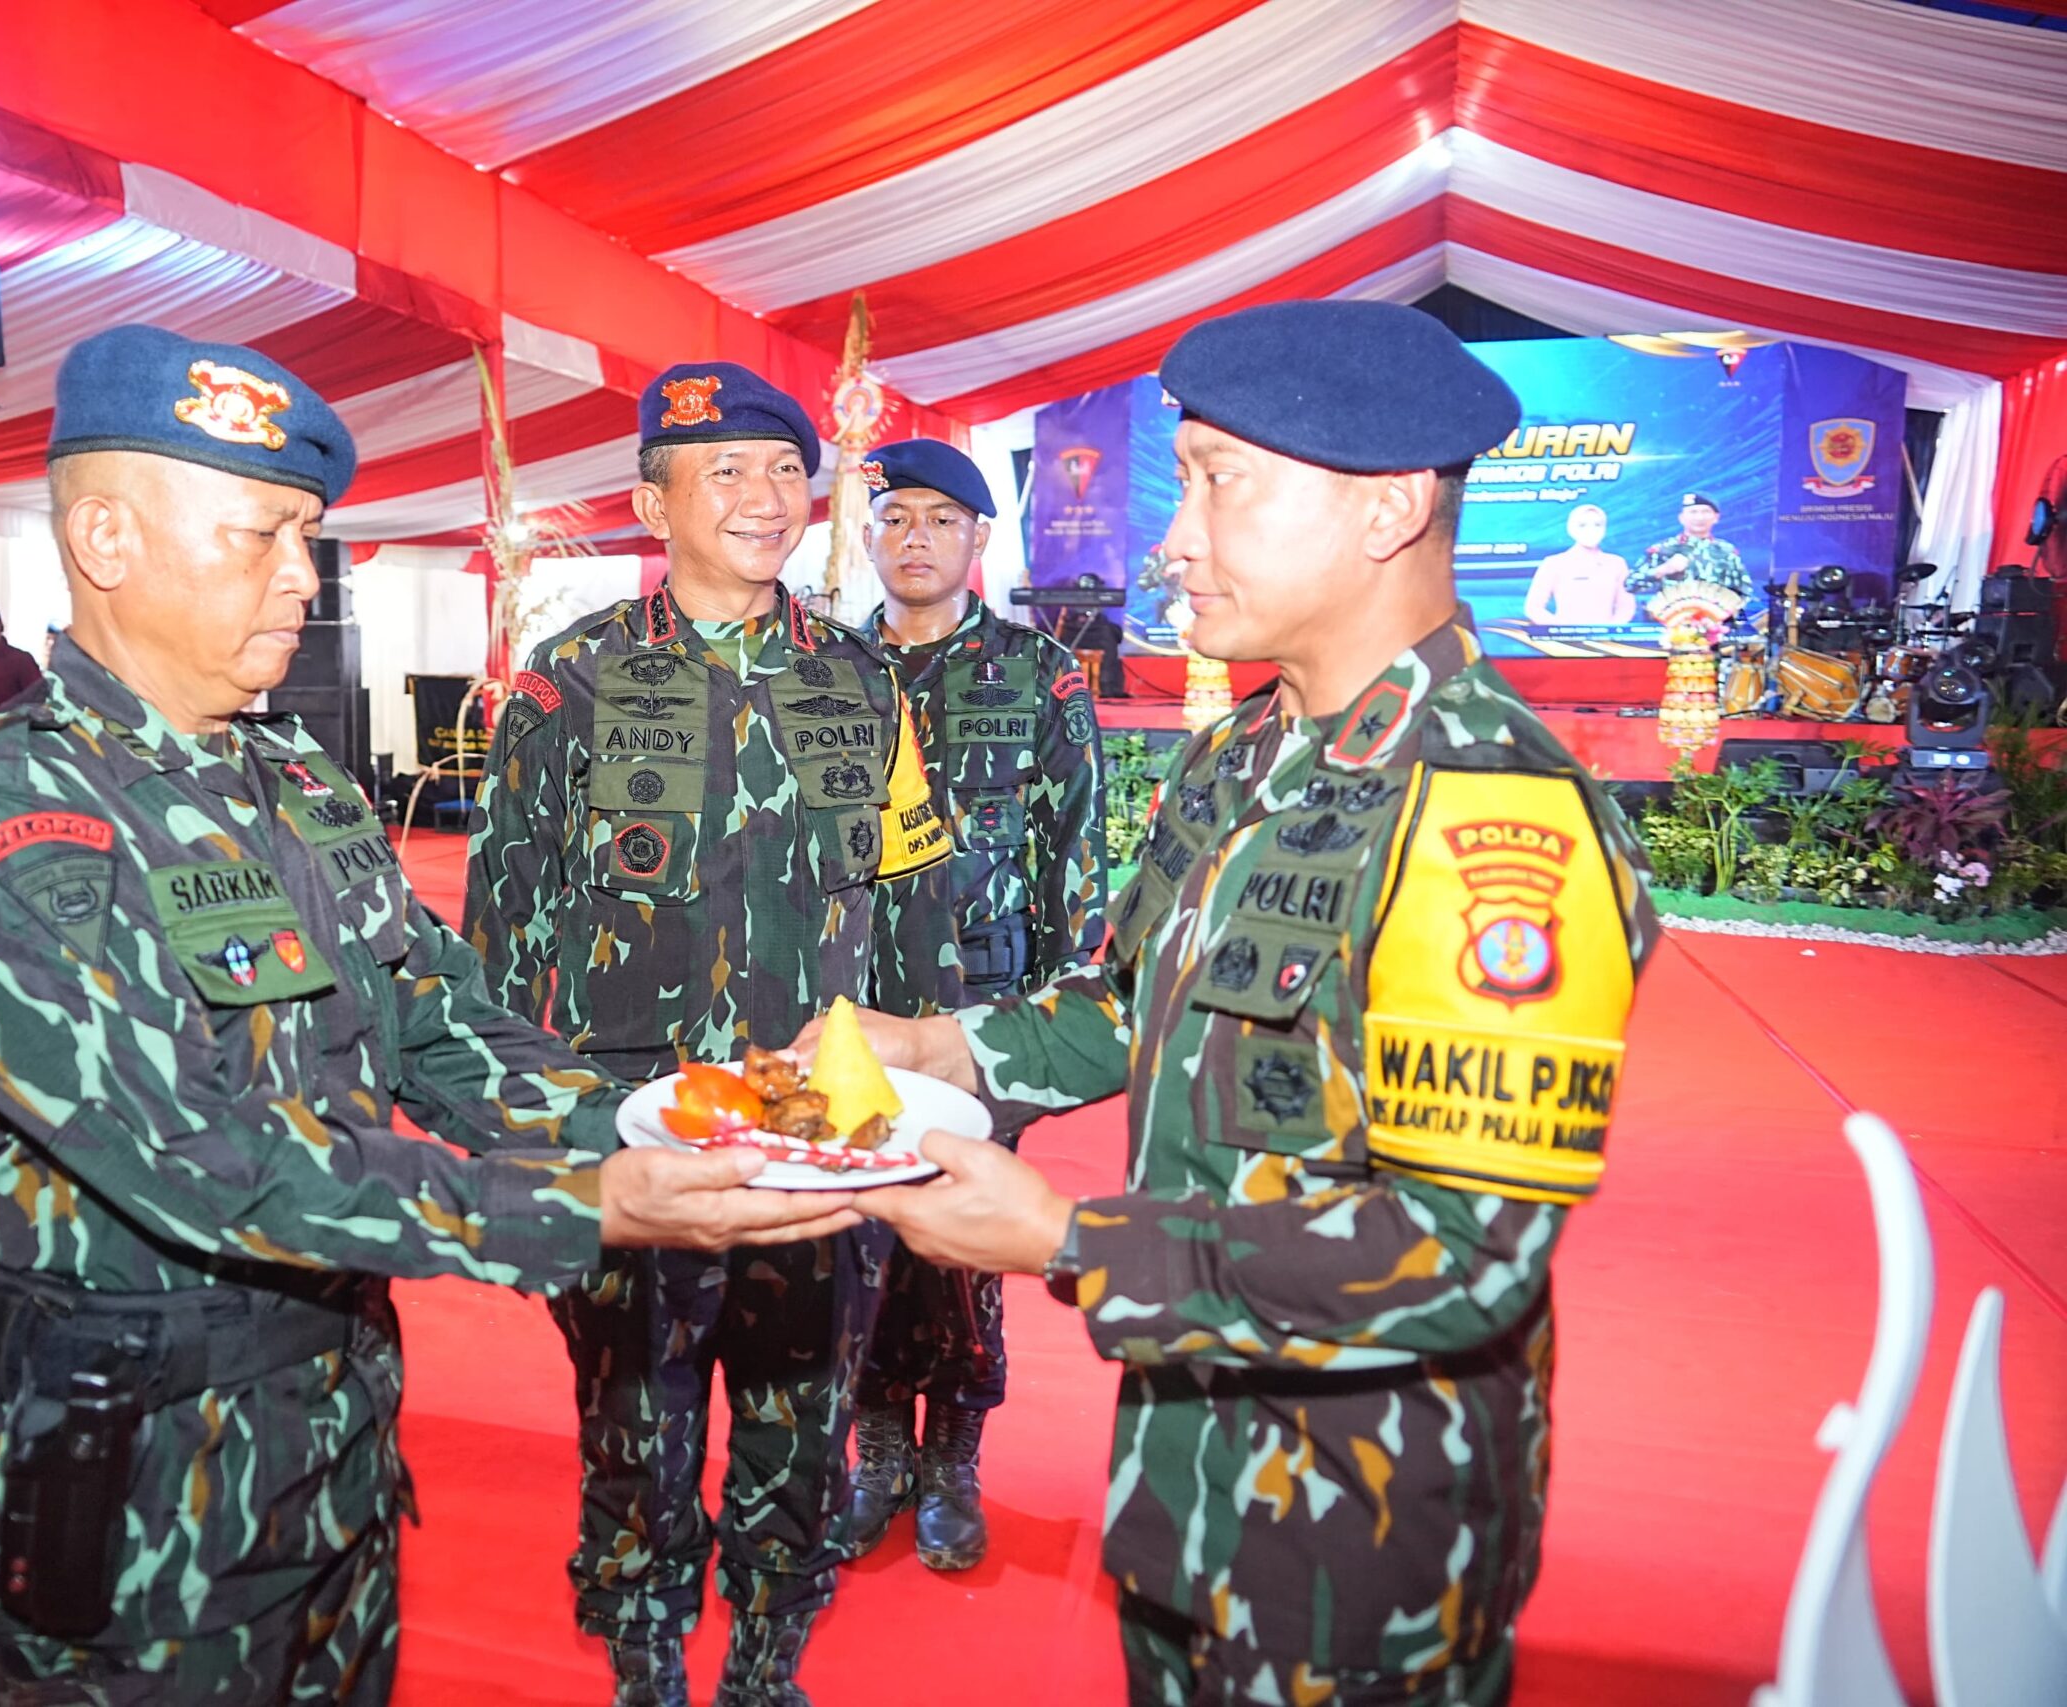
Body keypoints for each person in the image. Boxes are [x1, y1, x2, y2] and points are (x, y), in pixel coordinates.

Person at [0, 325, 860, 1707]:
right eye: (261, 533)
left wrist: (670, 1120)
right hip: (136, 1489)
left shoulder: (301, 788)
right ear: (104, 536)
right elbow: (213, 1159)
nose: (301, 578)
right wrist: (597, 1202)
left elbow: (442, 1022)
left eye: (309, 536)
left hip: (332, 1453)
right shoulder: (8, 819)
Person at [801, 301, 1659, 1705]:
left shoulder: (1491, 812)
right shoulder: (1242, 753)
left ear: (1386, 508)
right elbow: (1128, 997)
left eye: (1218, 480)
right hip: (1186, 1486)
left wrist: (1071, 1232)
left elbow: (1463, 1251)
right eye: (1181, 479)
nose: (1174, 534)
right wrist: (937, 1040)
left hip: (1357, 1537)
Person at [465, 362, 962, 1707]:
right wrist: (530, 1151)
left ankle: (762, 1661)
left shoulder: (863, 677)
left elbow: (913, 902)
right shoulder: (571, 681)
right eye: (725, 471)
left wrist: (928, 1105)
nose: (763, 497)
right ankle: (643, 1656)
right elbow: (502, 932)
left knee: (801, 1422)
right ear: (652, 499)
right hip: (640, 1124)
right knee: (636, 1412)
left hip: (818, 1125)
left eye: (784, 470)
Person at [842, 437, 1104, 1573]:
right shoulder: (820, 675)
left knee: (958, 1243)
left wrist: (1047, 1021)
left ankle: (951, 1459)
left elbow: (1073, 856)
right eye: (896, 517)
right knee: (852, 1232)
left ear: (978, 541)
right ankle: (876, 1456)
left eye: (941, 521)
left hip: (981, 1007)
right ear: (869, 534)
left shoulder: (1038, 676)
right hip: (844, 1008)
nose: (915, 539)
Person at [1522, 503, 1636, 626]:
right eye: (1582, 525)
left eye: (1597, 525)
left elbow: (1626, 607)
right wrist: (1562, 629)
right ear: (1571, 529)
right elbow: (1533, 608)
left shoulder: (1616, 564)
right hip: (1565, 641)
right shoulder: (1554, 563)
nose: (1590, 530)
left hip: (1605, 641)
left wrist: (1609, 630)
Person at [1629, 491, 1752, 598]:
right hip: (1672, 622)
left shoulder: (1726, 552)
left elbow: (1744, 592)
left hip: (1716, 622)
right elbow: (1630, 585)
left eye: (1706, 512)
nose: (1699, 517)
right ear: (1681, 518)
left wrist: (1728, 615)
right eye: (1693, 512)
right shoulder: (1662, 549)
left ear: (1716, 517)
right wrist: (1663, 570)